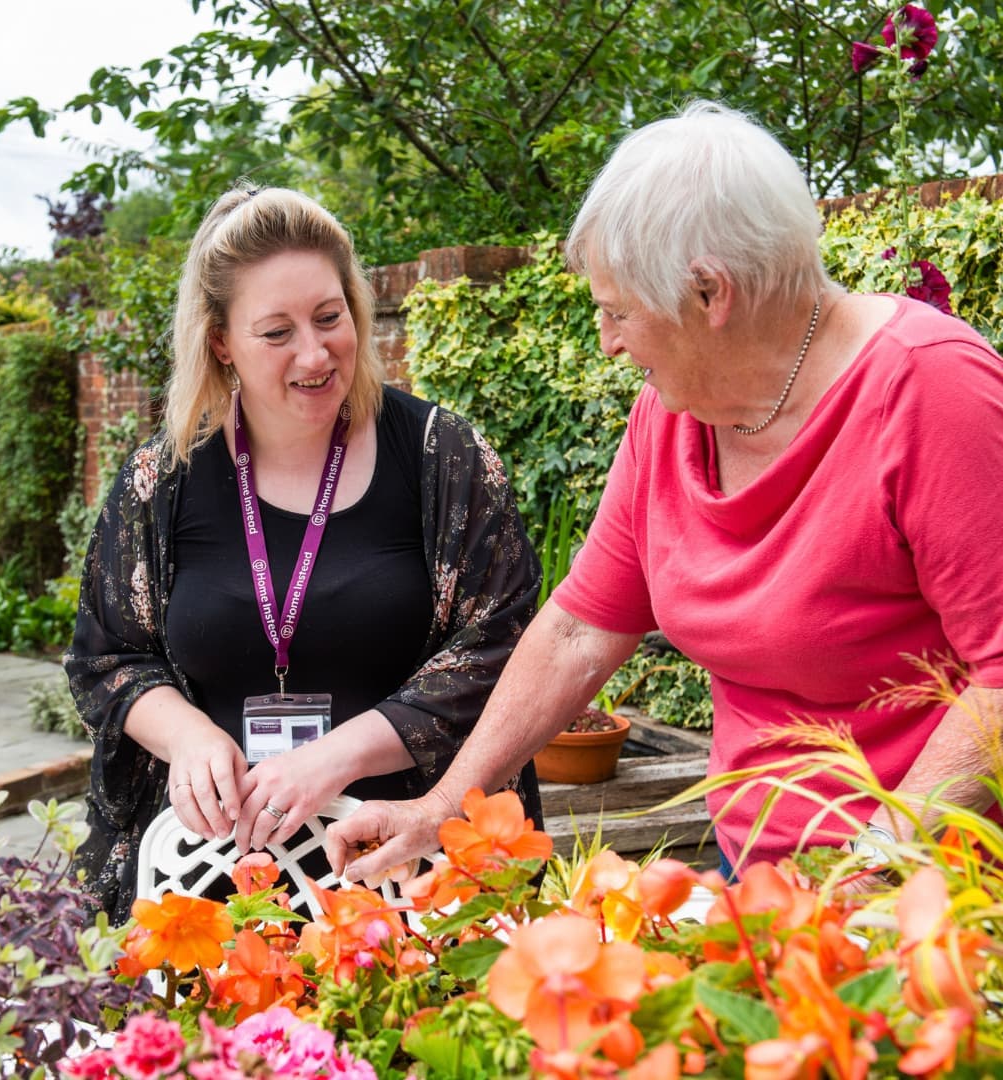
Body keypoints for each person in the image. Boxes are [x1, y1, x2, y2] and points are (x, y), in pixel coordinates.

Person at [326, 100, 1003, 884]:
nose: (608, 343)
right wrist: (445, 803)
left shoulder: (931, 390)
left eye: (617, 312)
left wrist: (865, 882)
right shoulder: (672, 414)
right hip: (756, 871)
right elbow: (582, 626)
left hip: (937, 892)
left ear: (711, 294)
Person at [65, 184, 541, 919]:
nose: (315, 355)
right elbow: (106, 658)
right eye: (276, 332)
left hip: (405, 871)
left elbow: (502, 649)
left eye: (329, 317)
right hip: (212, 883)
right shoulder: (160, 483)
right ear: (220, 340)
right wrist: (187, 737)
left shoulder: (443, 458)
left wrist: (334, 758)